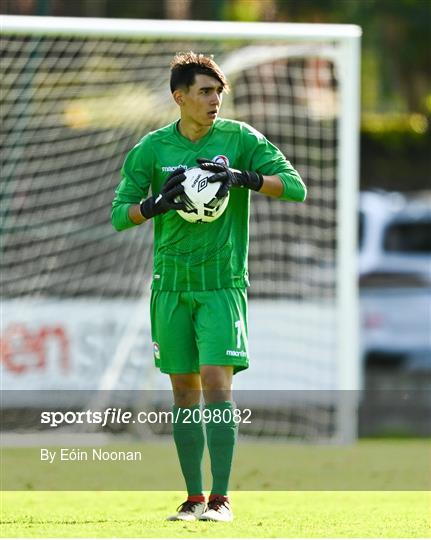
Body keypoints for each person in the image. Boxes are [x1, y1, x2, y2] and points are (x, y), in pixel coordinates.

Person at [111, 51, 306, 522]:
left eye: (218, 92)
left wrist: (244, 177)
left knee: (217, 384)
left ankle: (221, 500)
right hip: (171, 285)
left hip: (222, 284)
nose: (214, 100)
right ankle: (193, 498)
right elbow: (120, 215)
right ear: (179, 97)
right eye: (204, 92)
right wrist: (157, 203)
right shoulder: (153, 150)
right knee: (183, 391)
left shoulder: (239, 139)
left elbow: (295, 186)